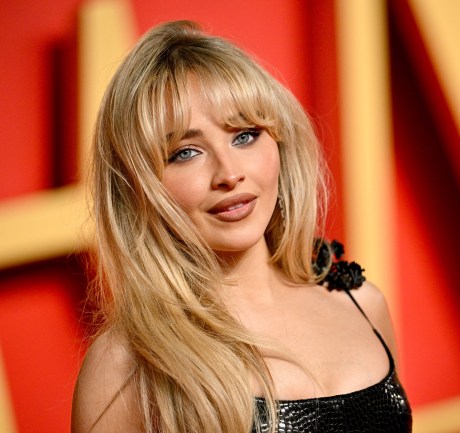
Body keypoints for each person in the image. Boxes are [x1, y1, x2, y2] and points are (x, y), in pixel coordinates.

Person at [71, 20, 411, 433]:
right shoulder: (124, 366)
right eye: (185, 152)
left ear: (279, 143)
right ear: (137, 187)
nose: (229, 174)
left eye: (245, 135)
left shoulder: (362, 303)